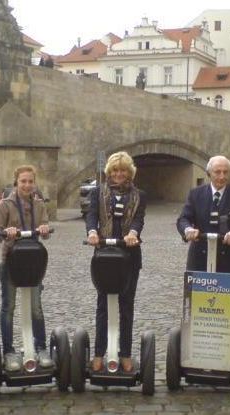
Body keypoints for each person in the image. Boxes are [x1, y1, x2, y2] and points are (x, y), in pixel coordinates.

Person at [86, 151, 146, 373]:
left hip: (130, 256)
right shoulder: (98, 193)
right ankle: (99, 353)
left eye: (122, 170)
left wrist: (133, 233)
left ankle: (125, 354)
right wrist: (92, 232)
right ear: (109, 172)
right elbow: (92, 215)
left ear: (129, 172)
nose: (118, 174)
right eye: (114, 170)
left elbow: (139, 218)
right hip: (105, 257)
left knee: (126, 306)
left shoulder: (139, 195)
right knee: (103, 306)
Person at [0, 165, 52, 371]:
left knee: (36, 307)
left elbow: (46, 231)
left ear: (35, 183)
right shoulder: (6, 205)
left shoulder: (40, 205)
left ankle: (41, 347)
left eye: (30, 181)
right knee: (9, 307)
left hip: (33, 262)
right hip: (11, 262)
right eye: (23, 181)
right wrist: (5, 232)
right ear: (16, 182)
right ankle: (8, 351)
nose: (27, 185)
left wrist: (44, 230)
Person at [176, 155, 230, 276]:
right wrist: (188, 229)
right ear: (209, 173)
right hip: (199, 260)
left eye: (225, 172)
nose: (222, 176)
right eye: (217, 172)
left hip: (228, 261)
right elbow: (183, 219)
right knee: (198, 295)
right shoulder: (195, 194)